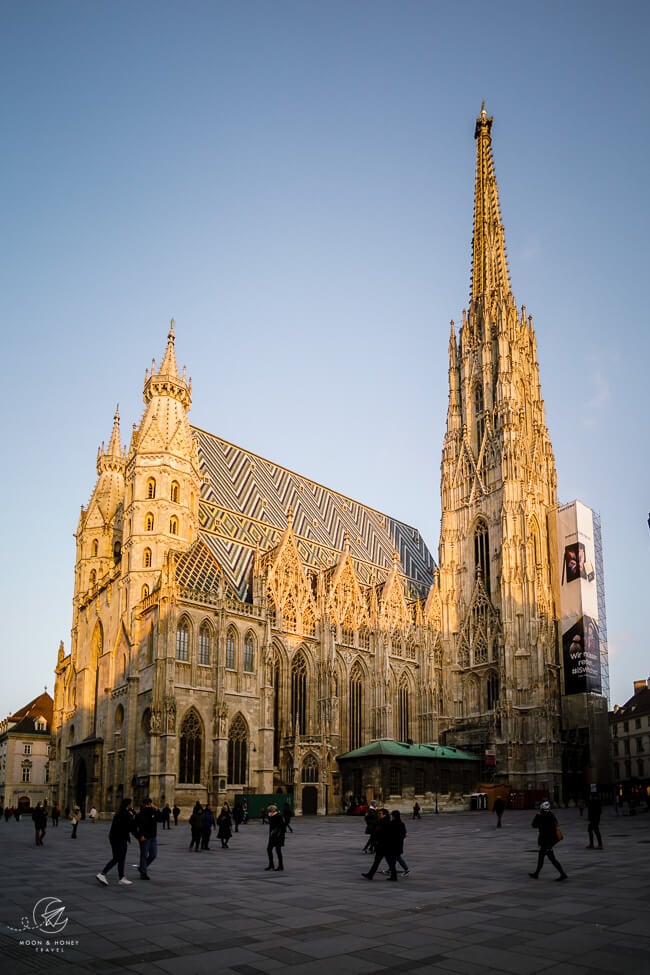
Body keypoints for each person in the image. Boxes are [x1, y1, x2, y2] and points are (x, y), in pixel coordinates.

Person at [96, 797, 138, 886]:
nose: (132, 805)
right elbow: (131, 826)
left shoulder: (120, 812)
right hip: (120, 838)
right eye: (131, 804)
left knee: (120, 858)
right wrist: (133, 816)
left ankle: (121, 877)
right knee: (118, 858)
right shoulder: (125, 814)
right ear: (128, 805)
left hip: (115, 837)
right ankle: (102, 874)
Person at [529, 801, 568, 881]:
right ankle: (536, 873)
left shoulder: (541, 816)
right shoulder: (551, 815)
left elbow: (534, 825)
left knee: (551, 858)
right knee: (542, 857)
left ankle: (563, 874)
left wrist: (537, 816)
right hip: (551, 840)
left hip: (546, 841)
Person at [362, 808, 398, 881]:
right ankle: (370, 874)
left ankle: (393, 876)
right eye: (378, 813)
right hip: (382, 845)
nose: (378, 815)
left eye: (380, 814)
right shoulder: (381, 821)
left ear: (384, 814)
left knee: (388, 861)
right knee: (380, 861)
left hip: (384, 845)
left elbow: (384, 834)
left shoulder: (386, 823)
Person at [135, 797, 159, 879]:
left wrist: (157, 809)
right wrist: (141, 835)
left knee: (153, 855)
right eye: (148, 804)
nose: (149, 805)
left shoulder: (154, 812)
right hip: (145, 837)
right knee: (144, 855)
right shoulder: (140, 814)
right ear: (145, 805)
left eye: (150, 804)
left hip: (153, 837)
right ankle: (143, 873)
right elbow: (138, 826)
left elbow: (161, 818)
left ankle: (142, 868)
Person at [265, 804, 286, 871]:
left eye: (269, 810)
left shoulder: (279, 816)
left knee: (278, 851)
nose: (269, 812)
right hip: (272, 836)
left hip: (278, 836)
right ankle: (271, 864)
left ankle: (280, 866)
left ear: (273, 810)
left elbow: (282, 826)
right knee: (269, 849)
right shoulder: (272, 816)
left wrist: (278, 832)